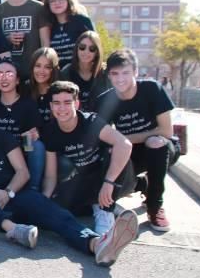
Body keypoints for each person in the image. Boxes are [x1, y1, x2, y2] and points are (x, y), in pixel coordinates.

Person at [0, 96, 138, 267]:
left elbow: (23, 172)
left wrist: (7, 192)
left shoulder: (1, 138)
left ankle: (97, 245)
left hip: (18, 195)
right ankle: (14, 229)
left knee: (58, 216)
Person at [96, 49, 175, 232]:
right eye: (115, 74)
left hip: (161, 147)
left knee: (155, 142)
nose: (120, 78)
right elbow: (100, 136)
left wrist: (123, 140)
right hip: (130, 152)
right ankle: (140, 185)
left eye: (125, 72)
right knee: (107, 153)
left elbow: (166, 131)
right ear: (109, 75)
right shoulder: (106, 100)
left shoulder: (152, 89)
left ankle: (154, 206)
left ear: (136, 72)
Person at [42, 81, 134, 234]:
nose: (62, 108)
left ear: (76, 104)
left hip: (111, 176)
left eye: (67, 102)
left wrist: (108, 182)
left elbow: (124, 144)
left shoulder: (91, 122)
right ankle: (100, 203)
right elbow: (51, 176)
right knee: (60, 207)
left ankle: (106, 210)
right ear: (51, 106)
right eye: (57, 103)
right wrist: (44, 200)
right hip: (85, 178)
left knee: (114, 152)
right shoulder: (50, 132)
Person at [0, 59, 44, 190]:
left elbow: (36, 132)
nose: (4, 78)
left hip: (22, 151)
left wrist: (32, 135)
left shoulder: (28, 104)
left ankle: (33, 189)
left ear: (17, 80)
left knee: (36, 145)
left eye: (9, 74)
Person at [59, 31, 110, 112]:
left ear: (97, 52)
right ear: (77, 49)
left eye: (92, 49)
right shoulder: (66, 72)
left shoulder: (105, 73)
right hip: (73, 121)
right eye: (82, 47)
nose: (86, 52)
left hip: (99, 121)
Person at [44, 0, 94, 69]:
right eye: (52, 0)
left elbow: (94, 48)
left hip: (81, 72)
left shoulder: (82, 21)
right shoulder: (49, 26)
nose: (57, 3)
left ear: (68, 0)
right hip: (58, 76)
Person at [24, 47, 60, 127]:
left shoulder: (60, 92)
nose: (41, 71)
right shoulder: (24, 90)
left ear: (53, 70)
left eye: (47, 67)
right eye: (38, 66)